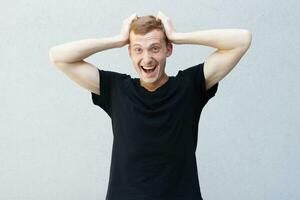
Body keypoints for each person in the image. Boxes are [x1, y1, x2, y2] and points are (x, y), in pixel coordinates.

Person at [49, 11, 252, 200]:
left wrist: (178, 36)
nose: (147, 59)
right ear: (130, 52)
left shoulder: (189, 86)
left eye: (155, 48)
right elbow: (59, 56)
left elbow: (242, 39)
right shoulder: (116, 89)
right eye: (138, 50)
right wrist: (117, 40)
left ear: (168, 49)